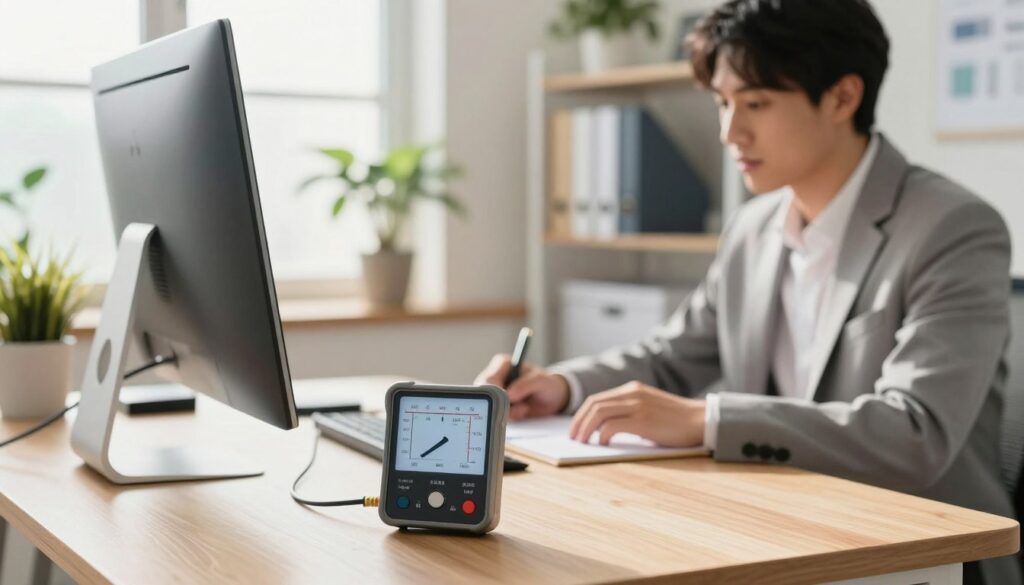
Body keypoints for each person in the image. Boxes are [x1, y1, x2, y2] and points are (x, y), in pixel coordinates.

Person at [476, 1, 1018, 582]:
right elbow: (672, 355)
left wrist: (708, 420)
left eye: (755, 103)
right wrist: (562, 385)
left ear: (842, 97)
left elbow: (914, 432)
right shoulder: (754, 227)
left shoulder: (952, 228)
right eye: (722, 103)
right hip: (782, 529)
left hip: (927, 556)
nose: (729, 132)